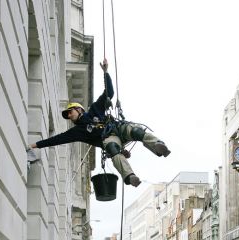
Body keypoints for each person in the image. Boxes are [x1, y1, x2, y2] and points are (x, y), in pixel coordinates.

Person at [27, 59, 170, 187]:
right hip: (109, 139)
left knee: (136, 131)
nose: (69, 115)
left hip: (117, 128)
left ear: (79, 109)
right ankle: (130, 176)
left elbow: (110, 93)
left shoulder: (94, 109)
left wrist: (106, 72)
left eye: (70, 112)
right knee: (113, 148)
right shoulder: (78, 132)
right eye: (68, 114)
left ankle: (158, 146)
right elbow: (57, 139)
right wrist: (35, 145)